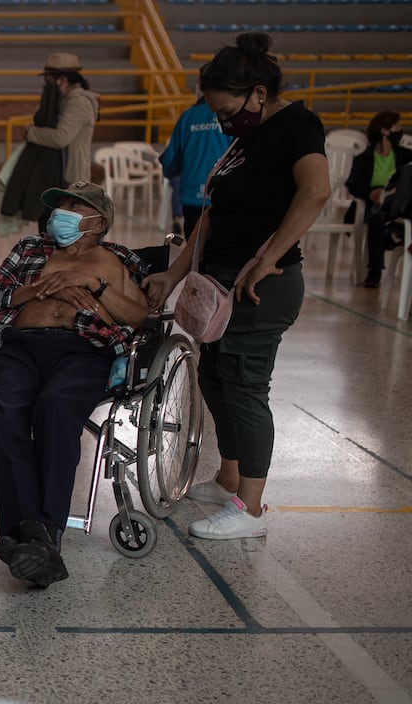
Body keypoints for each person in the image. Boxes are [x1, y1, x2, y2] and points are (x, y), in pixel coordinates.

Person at [144, 33, 330, 540]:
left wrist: (267, 258)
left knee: (246, 385)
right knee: (215, 379)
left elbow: (316, 192)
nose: (224, 123)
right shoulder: (247, 138)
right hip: (220, 282)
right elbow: (213, 217)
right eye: (218, 115)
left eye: (229, 112)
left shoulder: (297, 126)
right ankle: (228, 477)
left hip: (259, 289)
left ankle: (249, 509)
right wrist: (175, 271)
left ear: (259, 93)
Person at [0, 181, 149, 587]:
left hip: (82, 350)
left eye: (73, 207)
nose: (60, 215)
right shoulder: (29, 250)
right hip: (18, 346)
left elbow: (139, 316)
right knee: (10, 406)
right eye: (59, 207)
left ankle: (45, 533)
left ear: (98, 221)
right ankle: (25, 534)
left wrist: (95, 285)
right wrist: (35, 290)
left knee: (55, 406)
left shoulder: (117, 259)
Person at [344, 111, 412, 288]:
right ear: (385, 131)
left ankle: (393, 234)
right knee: (376, 216)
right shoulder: (364, 159)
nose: (400, 130)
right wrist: (371, 193)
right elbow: (352, 185)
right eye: (397, 127)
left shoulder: (405, 156)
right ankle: (375, 270)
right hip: (372, 203)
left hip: (396, 201)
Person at [160, 94, 234, 238]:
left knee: (195, 254)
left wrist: (169, 172)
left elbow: (170, 160)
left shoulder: (188, 117)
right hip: (225, 198)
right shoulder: (232, 114)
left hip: (193, 199)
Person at [25, 52, 100, 189]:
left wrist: (30, 132)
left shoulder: (79, 103)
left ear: (62, 80)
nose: (46, 86)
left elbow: (61, 138)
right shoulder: (61, 100)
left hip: (72, 180)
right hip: (56, 174)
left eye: (48, 81)